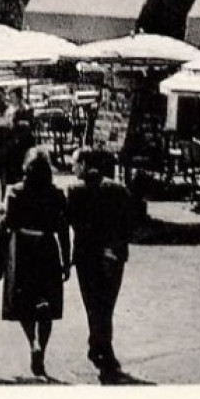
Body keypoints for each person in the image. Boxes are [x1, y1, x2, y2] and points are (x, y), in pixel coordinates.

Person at [66, 148, 141, 381]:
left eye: (76, 164)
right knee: (106, 304)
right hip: (113, 255)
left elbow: (69, 221)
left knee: (93, 303)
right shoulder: (118, 189)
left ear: (86, 165)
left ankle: (103, 351)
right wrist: (117, 244)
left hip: (86, 256)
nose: (72, 168)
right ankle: (98, 346)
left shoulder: (74, 191)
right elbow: (131, 222)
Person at [1, 147, 71, 378]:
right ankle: (42, 343)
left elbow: (9, 223)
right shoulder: (56, 194)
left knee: (24, 302)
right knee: (47, 303)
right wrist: (66, 259)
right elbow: (63, 229)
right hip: (47, 248)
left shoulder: (16, 192)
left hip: (22, 249)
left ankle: (32, 341)